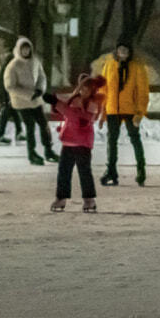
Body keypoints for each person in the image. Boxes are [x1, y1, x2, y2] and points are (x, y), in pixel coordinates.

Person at [45, 74, 106, 213]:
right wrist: (53, 100)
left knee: (84, 172)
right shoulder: (74, 99)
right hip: (68, 142)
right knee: (64, 171)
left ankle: (89, 199)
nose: (84, 91)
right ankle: (61, 197)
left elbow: (77, 118)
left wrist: (56, 103)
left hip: (82, 144)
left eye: (88, 89)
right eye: (82, 88)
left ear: (93, 90)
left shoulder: (92, 104)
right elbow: (64, 109)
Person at [100, 39, 150, 186]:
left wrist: (140, 112)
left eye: (126, 50)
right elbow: (103, 89)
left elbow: (142, 91)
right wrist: (102, 111)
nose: (123, 53)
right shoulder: (109, 65)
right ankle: (111, 171)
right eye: (120, 50)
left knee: (135, 139)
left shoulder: (136, 67)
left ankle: (141, 171)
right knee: (112, 141)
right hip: (113, 109)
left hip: (130, 109)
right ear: (116, 50)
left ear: (130, 52)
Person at [3, 36, 58, 166]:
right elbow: (10, 86)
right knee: (30, 126)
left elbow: (42, 76)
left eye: (28, 49)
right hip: (22, 102)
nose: (26, 52)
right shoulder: (13, 65)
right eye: (23, 49)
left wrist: (40, 89)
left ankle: (48, 150)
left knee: (44, 124)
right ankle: (31, 153)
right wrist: (28, 95)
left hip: (36, 100)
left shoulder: (35, 61)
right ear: (19, 50)